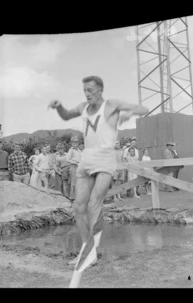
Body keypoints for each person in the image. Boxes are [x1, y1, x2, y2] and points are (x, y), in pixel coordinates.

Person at [48, 75, 148, 287]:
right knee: (78, 207)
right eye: (85, 90)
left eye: (91, 90)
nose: (87, 94)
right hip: (86, 159)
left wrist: (128, 113)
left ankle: (90, 252)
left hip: (105, 158)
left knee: (94, 204)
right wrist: (58, 107)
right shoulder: (83, 106)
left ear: (100, 90)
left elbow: (143, 109)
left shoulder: (111, 105)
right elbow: (66, 115)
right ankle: (88, 251)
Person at [66, 136, 82, 201]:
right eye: (73, 142)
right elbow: (67, 159)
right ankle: (72, 197)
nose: (75, 143)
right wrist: (74, 162)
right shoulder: (71, 150)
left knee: (79, 182)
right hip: (73, 166)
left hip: (79, 167)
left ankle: (78, 196)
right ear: (71, 143)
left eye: (76, 142)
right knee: (73, 182)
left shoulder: (79, 150)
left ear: (78, 143)